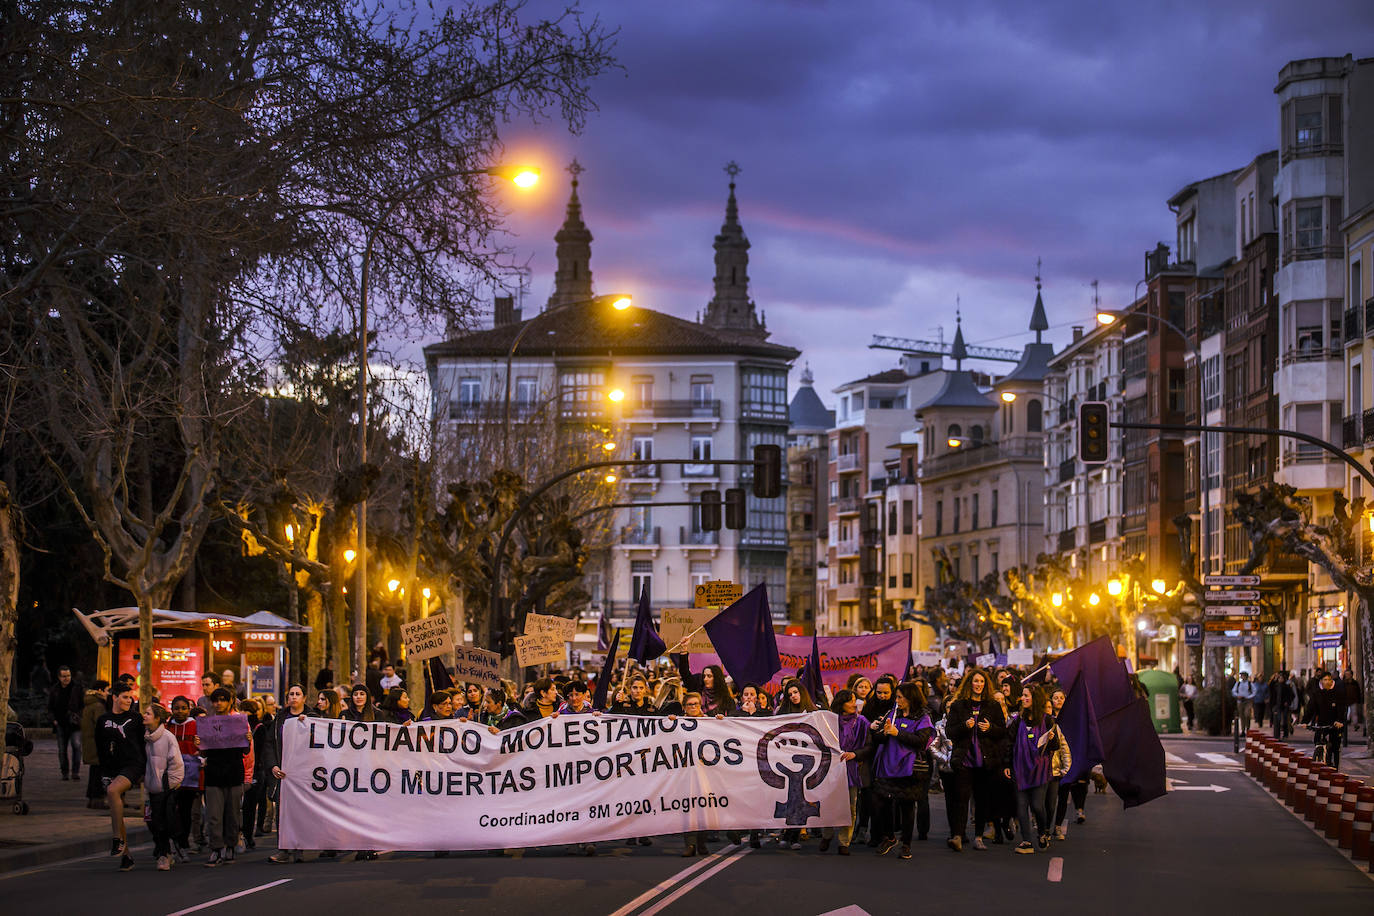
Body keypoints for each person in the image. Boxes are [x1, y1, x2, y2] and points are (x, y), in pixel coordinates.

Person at [945, 668, 1006, 852]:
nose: (978, 684)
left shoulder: (993, 706)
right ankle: (957, 835)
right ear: (969, 683)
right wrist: (964, 726)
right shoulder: (958, 705)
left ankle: (978, 837)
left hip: (985, 761)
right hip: (964, 759)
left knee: (982, 800)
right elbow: (950, 731)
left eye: (981, 682)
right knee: (961, 799)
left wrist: (990, 728)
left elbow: (1002, 732)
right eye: (975, 681)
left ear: (985, 684)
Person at [870, 682, 933, 860]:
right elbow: (879, 737)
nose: (896, 700)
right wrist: (881, 731)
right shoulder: (893, 713)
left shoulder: (923, 717)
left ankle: (906, 844)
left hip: (909, 767)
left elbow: (921, 742)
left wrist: (898, 733)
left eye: (899, 697)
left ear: (910, 698)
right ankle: (889, 837)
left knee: (907, 806)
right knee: (880, 802)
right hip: (888, 764)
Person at [97, 681, 145, 871]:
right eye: (124, 697)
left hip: (133, 764)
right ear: (114, 697)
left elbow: (144, 744)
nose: (128, 700)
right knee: (114, 801)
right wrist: (104, 772)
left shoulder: (135, 718)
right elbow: (100, 749)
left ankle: (117, 839)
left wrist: (146, 770)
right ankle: (126, 856)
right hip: (113, 767)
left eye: (130, 697)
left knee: (112, 790)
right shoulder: (103, 720)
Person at [201, 688, 250, 867]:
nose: (219, 703)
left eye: (223, 700)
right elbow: (204, 752)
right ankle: (216, 848)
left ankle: (230, 845)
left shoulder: (238, 722)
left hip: (234, 772)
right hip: (214, 773)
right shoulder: (207, 723)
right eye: (216, 700)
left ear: (230, 702)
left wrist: (248, 739)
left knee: (232, 813)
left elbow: (245, 751)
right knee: (213, 814)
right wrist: (200, 743)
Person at [268, 685, 316, 865]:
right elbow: (270, 744)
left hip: (305, 774)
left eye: (298, 694)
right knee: (283, 811)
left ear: (304, 698)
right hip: (284, 774)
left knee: (301, 812)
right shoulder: (280, 719)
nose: (294, 697)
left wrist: (309, 726)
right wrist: (273, 765)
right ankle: (284, 849)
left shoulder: (313, 718)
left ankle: (299, 849)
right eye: (291, 695)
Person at [1008, 685, 1058, 854]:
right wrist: (1007, 765)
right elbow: (1009, 743)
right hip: (1020, 769)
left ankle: (1043, 833)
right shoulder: (1018, 720)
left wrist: (1051, 739)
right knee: (1021, 806)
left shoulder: (1048, 720)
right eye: (1022, 695)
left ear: (1035, 698)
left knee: (1037, 806)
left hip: (1039, 770)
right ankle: (1026, 841)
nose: (1023, 698)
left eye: (1026, 695)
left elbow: (1055, 746)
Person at [824, 689, 873, 855]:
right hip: (831, 769)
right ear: (841, 704)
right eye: (851, 701)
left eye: (855, 700)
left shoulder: (862, 722)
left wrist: (855, 754)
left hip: (852, 769)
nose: (855, 704)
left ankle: (844, 841)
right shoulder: (829, 721)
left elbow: (869, 746)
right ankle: (827, 833)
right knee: (829, 803)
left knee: (850, 806)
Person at [143, 704, 185, 872]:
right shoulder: (146, 737)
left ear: (157, 718)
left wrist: (169, 784)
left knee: (163, 821)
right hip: (152, 787)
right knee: (154, 822)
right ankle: (166, 850)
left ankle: (165, 854)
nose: (144, 716)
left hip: (166, 787)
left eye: (148, 713)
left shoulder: (167, 737)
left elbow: (177, 763)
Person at [166, 697, 203, 859]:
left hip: (190, 775)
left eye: (183, 708)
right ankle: (172, 842)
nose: (180, 711)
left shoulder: (196, 725)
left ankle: (183, 843)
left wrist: (200, 748)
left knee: (186, 811)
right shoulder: (167, 726)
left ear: (189, 709)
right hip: (170, 773)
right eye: (176, 708)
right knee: (170, 809)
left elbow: (204, 746)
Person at [47, 664, 84, 782]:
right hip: (61, 724)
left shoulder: (77, 688)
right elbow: (50, 707)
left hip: (75, 723)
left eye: (68, 675)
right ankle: (64, 772)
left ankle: (75, 772)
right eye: (64, 676)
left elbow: (83, 705)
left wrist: (78, 716)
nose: (66, 678)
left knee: (77, 746)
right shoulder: (54, 689)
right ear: (59, 677)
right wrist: (53, 720)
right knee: (62, 750)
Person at [1305, 671, 1346, 767]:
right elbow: (1310, 709)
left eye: (1329, 680)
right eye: (1325, 680)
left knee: (1335, 746)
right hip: (1321, 723)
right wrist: (1305, 722)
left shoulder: (1337, 692)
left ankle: (1335, 766)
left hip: (1334, 723)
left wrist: (1339, 720)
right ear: (1321, 681)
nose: (1327, 682)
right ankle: (1319, 756)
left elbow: (1341, 708)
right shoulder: (1317, 693)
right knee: (1317, 740)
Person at [81, 680, 110, 808]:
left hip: (90, 742)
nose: (108, 693)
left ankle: (92, 798)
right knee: (98, 772)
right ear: (100, 690)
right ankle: (97, 799)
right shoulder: (98, 706)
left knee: (94, 771)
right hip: (96, 743)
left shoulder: (90, 703)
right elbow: (101, 725)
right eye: (106, 690)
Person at [1269, 671, 1295, 740]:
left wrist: (1287, 702)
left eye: (1281, 678)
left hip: (1284, 706)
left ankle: (1285, 734)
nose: (1280, 679)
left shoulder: (1287, 686)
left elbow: (1292, 695)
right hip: (1277, 706)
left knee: (1284, 721)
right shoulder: (1275, 686)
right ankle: (1277, 735)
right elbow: (1271, 690)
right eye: (1279, 678)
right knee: (1277, 720)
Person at [1343, 670, 1364, 743]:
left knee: (1354, 713)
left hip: (1353, 700)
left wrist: (1359, 699)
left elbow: (1358, 692)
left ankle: (1355, 725)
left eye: (1348, 674)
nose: (1347, 676)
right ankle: (1344, 726)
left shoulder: (1355, 683)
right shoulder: (1343, 683)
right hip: (1345, 701)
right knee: (1344, 714)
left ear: (1351, 675)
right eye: (1346, 674)